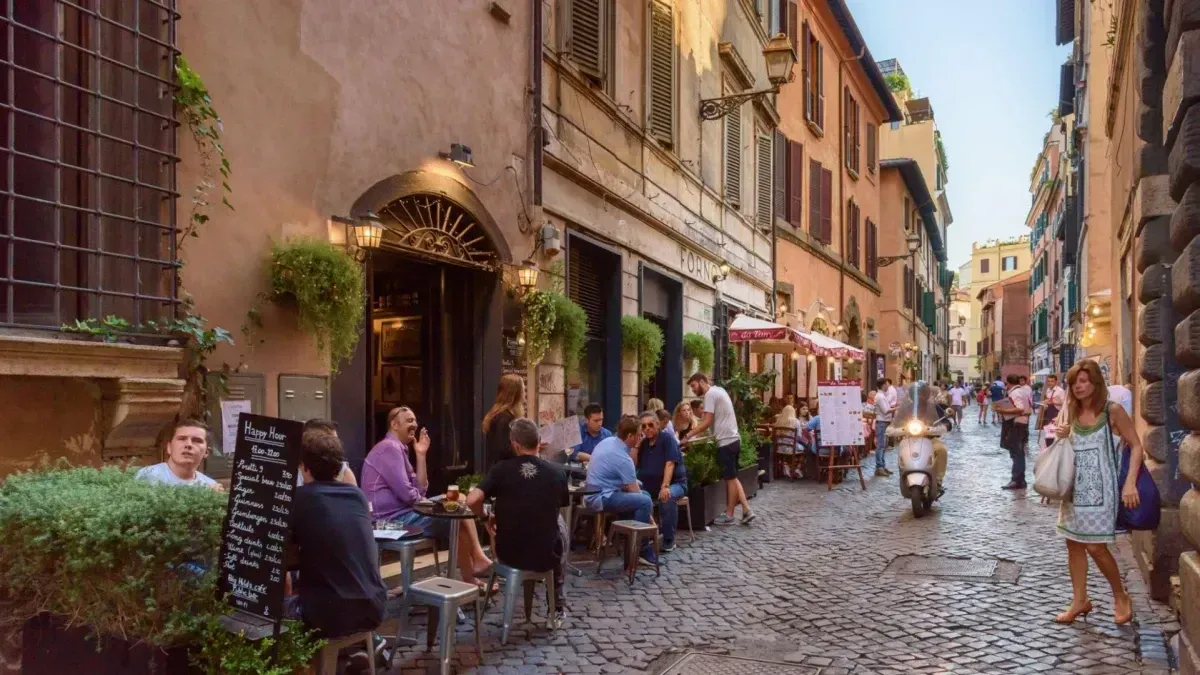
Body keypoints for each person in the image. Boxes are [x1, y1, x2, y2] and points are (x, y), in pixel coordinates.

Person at [1052, 360, 1144, 625]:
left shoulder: (1112, 411)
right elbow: (1069, 445)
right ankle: (1080, 600)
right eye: (1074, 383)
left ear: (1095, 382)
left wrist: (1130, 483)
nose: (1078, 387)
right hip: (1073, 489)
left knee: (1095, 546)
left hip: (1102, 491)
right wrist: (1064, 433)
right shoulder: (1071, 409)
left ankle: (1120, 595)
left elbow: (1136, 446)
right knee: (1073, 544)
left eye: (1083, 381)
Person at [361, 406, 493, 586]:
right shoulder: (389, 448)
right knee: (456, 518)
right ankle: (471, 572)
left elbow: (420, 489)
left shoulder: (399, 449)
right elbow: (409, 495)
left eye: (414, 420)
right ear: (394, 425)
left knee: (460, 499)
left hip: (403, 514)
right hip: (388, 522)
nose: (414, 424)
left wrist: (421, 455)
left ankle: (473, 567)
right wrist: (425, 502)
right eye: (408, 421)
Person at [466, 418, 568, 621]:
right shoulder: (557, 473)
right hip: (545, 556)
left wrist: (485, 517)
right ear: (539, 441)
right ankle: (556, 606)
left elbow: (472, 499)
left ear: (515, 445)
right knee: (561, 527)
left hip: (508, 554)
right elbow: (560, 506)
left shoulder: (501, 470)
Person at [289, 430, 388, 639]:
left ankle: (311, 668)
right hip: (375, 606)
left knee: (273, 611)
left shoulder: (299, 498)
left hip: (328, 614)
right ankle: (350, 653)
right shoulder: (357, 495)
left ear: (304, 466)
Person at [583, 416, 658, 565]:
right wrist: (651, 521)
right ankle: (639, 549)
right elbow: (634, 492)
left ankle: (629, 543)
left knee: (645, 495)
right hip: (601, 497)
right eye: (639, 434)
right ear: (630, 436)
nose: (641, 437)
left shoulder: (609, 442)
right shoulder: (623, 458)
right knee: (645, 500)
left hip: (596, 491)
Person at [686, 373, 754, 525]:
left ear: (702, 382)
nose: (693, 390)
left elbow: (707, 421)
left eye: (694, 386)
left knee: (730, 478)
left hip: (725, 442)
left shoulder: (710, 395)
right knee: (733, 477)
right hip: (734, 439)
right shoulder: (719, 391)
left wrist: (688, 436)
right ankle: (744, 510)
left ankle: (733, 514)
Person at [635, 411, 687, 552]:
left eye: (650, 425)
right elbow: (635, 464)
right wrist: (636, 446)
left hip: (675, 484)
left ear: (657, 425)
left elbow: (670, 463)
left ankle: (669, 539)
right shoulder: (644, 444)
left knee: (667, 497)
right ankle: (644, 537)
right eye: (643, 426)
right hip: (649, 486)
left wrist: (665, 486)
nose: (647, 429)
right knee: (636, 498)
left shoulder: (667, 439)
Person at [136, 419, 223, 490]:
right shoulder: (149, 476)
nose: (188, 444)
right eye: (182, 439)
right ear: (169, 448)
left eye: (196, 440)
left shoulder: (210, 486)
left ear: (206, 452)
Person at [993, 374, 1033, 489]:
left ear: (1009, 383)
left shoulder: (1015, 393)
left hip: (1017, 423)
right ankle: (1021, 480)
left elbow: (1019, 408)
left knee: (1016, 453)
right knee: (1019, 452)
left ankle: (1016, 480)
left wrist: (1002, 409)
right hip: (1022, 423)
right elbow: (1028, 408)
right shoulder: (1024, 391)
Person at [482, 373, 525, 467]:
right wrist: (527, 448)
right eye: (522, 390)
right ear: (516, 394)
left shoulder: (501, 415)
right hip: (505, 474)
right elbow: (503, 450)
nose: (524, 395)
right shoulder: (504, 418)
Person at [297, 419, 357, 487]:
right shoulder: (291, 471)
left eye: (335, 440)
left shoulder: (344, 472)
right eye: (326, 439)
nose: (334, 444)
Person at [772, 405, 803, 478]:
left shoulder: (779, 420)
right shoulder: (796, 421)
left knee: (787, 453)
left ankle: (786, 465)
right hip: (791, 448)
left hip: (779, 448)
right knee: (804, 449)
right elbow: (799, 436)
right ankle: (797, 469)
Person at [1038, 374, 1065, 449]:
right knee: (1049, 430)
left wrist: (1053, 403)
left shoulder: (1060, 391)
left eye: (1052, 381)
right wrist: (1045, 402)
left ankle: (1055, 446)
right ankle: (1049, 447)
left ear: (1056, 382)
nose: (1050, 383)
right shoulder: (1048, 390)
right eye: (1048, 381)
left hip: (1057, 413)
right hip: (1049, 411)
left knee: (1055, 431)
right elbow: (1049, 400)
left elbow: (1064, 403)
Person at [873, 381, 894, 477]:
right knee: (880, 445)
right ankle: (879, 467)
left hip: (884, 422)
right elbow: (885, 410)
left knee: (884, 445)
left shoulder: (883, 395)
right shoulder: (880, 397)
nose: (888, 386)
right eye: (886, 384)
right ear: (882, 385)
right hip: (881, 422)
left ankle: (882, 465)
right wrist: (897, 408)